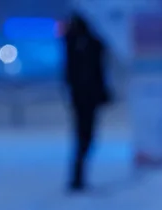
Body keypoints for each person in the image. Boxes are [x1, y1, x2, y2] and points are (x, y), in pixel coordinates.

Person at [63, 13, 111, 192]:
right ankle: (78, 177)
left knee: (82, 136)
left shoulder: (72, 43)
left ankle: (77, 176)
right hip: (87, 96)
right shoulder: (89, 43)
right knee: (86, 136)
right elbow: (97, 70)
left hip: (80, 97)